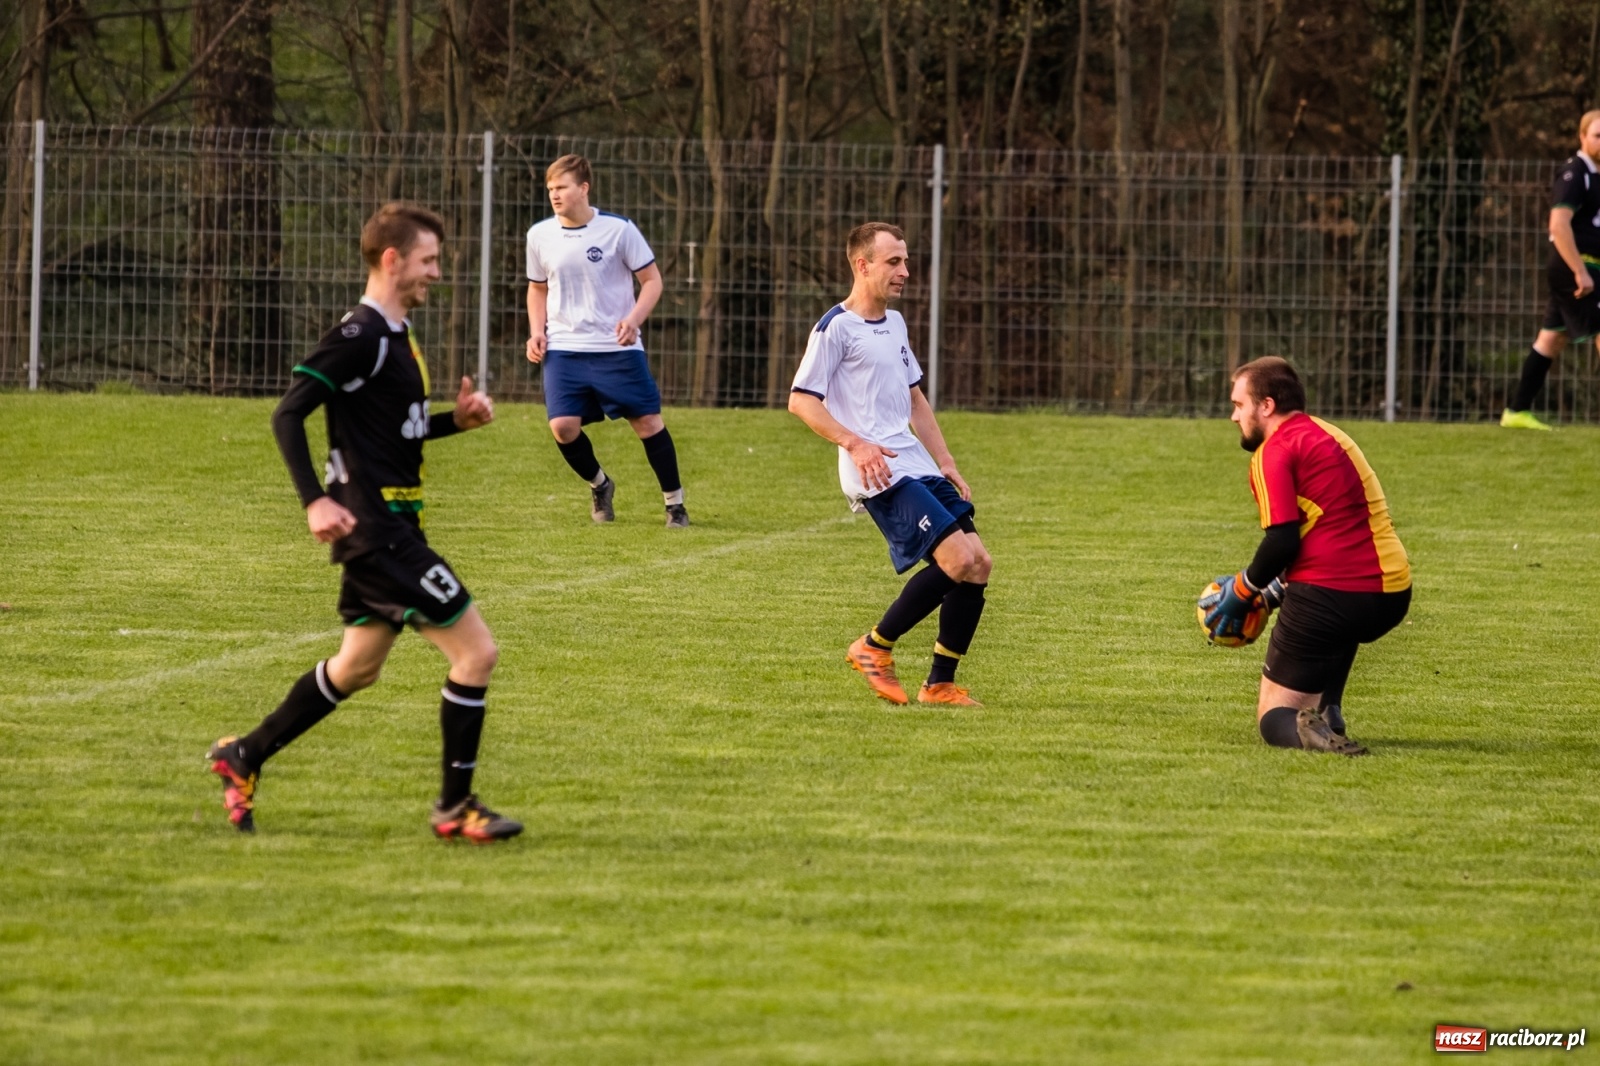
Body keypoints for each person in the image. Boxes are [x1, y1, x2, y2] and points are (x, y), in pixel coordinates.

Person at [207, 202, 521, 843]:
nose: (437, 272)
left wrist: (454, 422)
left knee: (356, 668)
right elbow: (288, 413)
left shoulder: (398, 335)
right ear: (393, 259)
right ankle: (454, 807)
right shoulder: (361, 335)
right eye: (429, 260)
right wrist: (313, 501)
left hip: (392, 527)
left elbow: (394, 431)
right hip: (380, 533)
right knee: (477, 653)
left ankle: (244, 754)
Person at [788, 222, 992, 707]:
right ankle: (874, 646)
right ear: (863, 265)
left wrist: (945, 461)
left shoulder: (895, 323)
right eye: (894, 262)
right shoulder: (835, 328)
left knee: (978, 564)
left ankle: (939, 684)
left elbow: (914, 398)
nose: (905, 271)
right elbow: (801, 400)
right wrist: (855, 444)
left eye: (905, 260)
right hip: (878, 471)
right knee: (957, 559)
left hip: (915, 462)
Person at [1201, 357, 1412, 756]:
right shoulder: (1331, 434)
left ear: (1266, 405)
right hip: (1392, 592)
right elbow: (1330, 530)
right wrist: (1273, 591)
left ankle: (1310, 727)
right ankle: (1329, 709)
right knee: (1338, 623)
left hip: (1332, 594)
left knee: (1272, 716)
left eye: (1239, 405)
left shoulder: (1272, 452)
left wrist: (1243, 590)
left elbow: (1283, 540)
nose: (1234, 416)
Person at [525, 154, 688, 527]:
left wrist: (633, 320)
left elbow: (652, 281)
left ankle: (675, 505)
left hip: (616, 348)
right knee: (563, 427)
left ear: (583, 188)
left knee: (647, 422)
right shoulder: (539, 235)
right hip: (564, 348)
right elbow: (537, 288)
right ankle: (600, 485)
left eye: (562, 187)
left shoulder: (619, 230)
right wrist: (537, 331)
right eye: (550, 189)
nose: (555, 195)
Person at [1501, 110, 1600, 430]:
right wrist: (1579, 271)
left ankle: (1516, 411)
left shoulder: (1597, 175)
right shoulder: (1575, 173)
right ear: (1582, 137)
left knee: (1551, 339)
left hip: (1588, 266)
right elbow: (1558, 225)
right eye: (1597, 135)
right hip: (1575, 267)